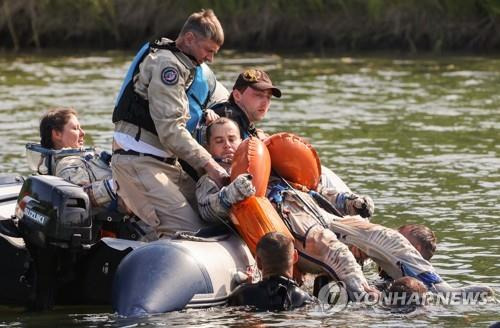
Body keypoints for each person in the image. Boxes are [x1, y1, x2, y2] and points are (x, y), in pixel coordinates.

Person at [196, 118, 493, 300]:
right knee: (335, 251)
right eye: (219, 141)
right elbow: (208, 210)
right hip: (287, 225)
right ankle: (366, 298)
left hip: (320, 212)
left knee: (389, 238)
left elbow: (314, 188)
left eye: (232, 139)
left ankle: (440, 288)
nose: (228, 146)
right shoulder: (212, 179)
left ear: (243, 140)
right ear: (209, 146)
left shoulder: (271, 165)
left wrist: (348, 201)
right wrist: (230, 192)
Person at [111, 9, 230, 240]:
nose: (210, 59)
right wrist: (210, 165)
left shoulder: (182, 63)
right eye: (208, 50)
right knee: (191, 234)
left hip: (165, 162)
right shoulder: (168, 66)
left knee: (214, 219)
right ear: (189, 39)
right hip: (138, 161)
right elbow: (171, 130)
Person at [35, 107, 116, 209]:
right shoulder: (67, 165)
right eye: (75, 128)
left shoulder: (81, 157)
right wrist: (118, 184)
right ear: (57, 134)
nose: (83, 133)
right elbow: (83, 198)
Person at [228, 232, 313, 311]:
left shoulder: (241, 295)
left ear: (258, 262)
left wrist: (245, 287)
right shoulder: (305, 299)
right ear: (295, 257)